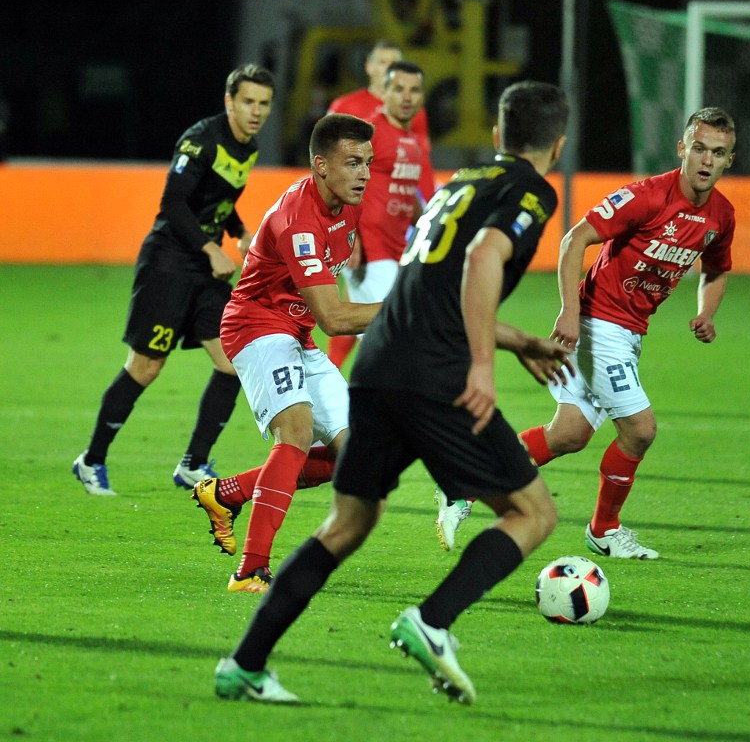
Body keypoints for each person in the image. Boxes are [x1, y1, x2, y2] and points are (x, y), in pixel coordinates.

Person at [212, 80, 572, 705]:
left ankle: (243, 664)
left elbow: (430, 293)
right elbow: (484, 258)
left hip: (378, 364)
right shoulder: (531, 191)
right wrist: (483, 365)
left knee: (348, 522)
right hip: (429, 373)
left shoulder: (462, 182)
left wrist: (516, 339)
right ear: (558, 145)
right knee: (533, 513)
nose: (362, 173)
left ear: (496, 135)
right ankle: (431, 623)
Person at [435, 107, 737, 559]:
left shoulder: (721, 215)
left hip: (629, 332)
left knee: (569, 434)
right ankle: (604, 529)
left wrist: (706, 312)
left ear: (729, 159)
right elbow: (574, 238)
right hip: (599, 325)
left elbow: (716, 269)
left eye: (717, 152)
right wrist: (570, 312)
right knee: (640, 430)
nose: (706, 160)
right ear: (682, 149)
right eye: (699, 148)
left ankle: (464, 480)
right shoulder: (646, 196)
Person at [72, 64, 276, 496]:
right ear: (229, 101)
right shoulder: (201, 140)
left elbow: (219, 198)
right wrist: (211, 248)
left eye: (263, 103)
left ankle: (193, 464)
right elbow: (173, 202)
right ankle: (91, 461)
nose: (256, 111)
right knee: (146, 367)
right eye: (248, 102)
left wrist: (238, 231)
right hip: (168, 263)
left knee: (232, 362)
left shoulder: (249, 147)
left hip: (205, 271)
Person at [210, 113, 383, 593]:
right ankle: (250, 569)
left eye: (368, 162)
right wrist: (409, 310)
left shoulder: (347, 206)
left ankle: (231, 492)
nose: (365, 174)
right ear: (321, 165)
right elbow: (334, 318)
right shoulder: (298, 220)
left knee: (360, 455)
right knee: (297, 432)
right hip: (256, 325)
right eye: (353, 163)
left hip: (297, 334)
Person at [327, 60, 432, 368]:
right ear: (383, 93)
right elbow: (336, 182)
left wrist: (431, 224)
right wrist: (352, 239)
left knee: (384, 337)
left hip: (395, 250)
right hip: (370, 251)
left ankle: (331, 386)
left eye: (414, 90)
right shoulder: (370, 134)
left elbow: (405, 193)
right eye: (398, 89)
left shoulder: (411, 140)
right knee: (399, 336)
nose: (407, 97)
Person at [327, 40, 434, 202]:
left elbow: (422, 162)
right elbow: (327, 155)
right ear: (369, 67)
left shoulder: (414, 112)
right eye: (383, 62)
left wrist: (430, 203)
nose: (390, 68)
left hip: (398, 203)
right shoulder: (345, 106)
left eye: (395, 63)